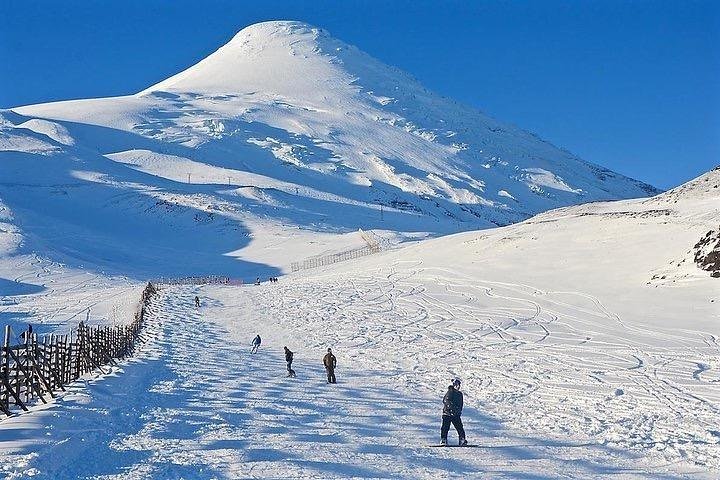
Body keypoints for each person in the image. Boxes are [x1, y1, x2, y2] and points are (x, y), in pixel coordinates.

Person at [441, 378, 467, 446]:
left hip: (456, 414)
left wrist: (459, 411)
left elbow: (461, 404)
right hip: (447, 413)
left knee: (460, 427)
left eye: (459, 385)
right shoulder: (450, 391)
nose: (458, 387)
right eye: (457, 385)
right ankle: (443, 439)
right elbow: (446, 401)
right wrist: (452, 408)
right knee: (445, 427)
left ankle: (462, 439)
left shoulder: (459, 394)